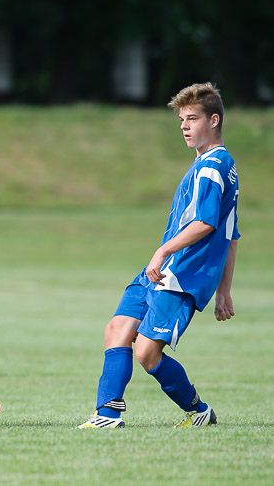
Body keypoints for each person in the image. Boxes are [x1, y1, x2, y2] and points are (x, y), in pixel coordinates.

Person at [78, 82, 239, 429]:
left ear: (213, 120)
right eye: (181, 120)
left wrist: (163, 250)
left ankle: (199, 411)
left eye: (192, 118)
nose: (184, 126)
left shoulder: (213, 166)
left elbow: (208, 224)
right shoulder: (212, 165)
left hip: (183, 274)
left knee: (147, 353)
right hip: (164, 268)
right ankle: (107, 414)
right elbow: (232, 236)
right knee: (117, 329)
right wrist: (224, 290)